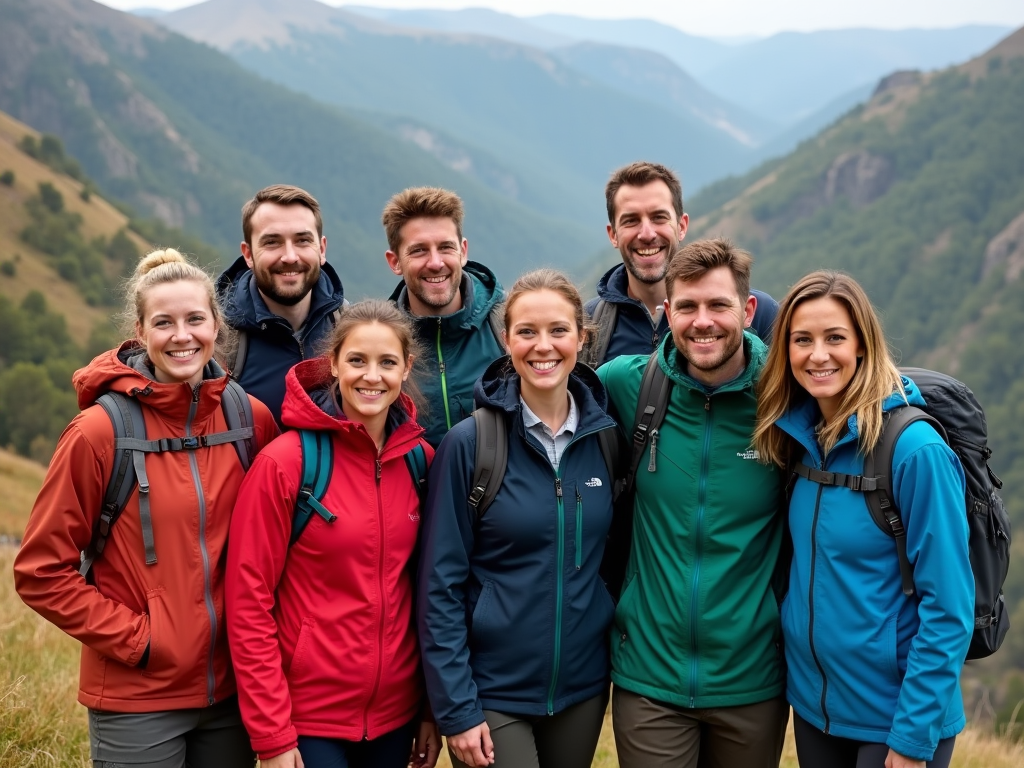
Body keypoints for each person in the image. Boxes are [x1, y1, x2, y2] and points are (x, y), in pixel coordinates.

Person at [13, 249, 279, 768]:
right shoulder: (100, 432)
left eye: (195, 319)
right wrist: (141, 640)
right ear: (141, 331)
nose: (182, 335)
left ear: (216, 325)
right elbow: (40, 571)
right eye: (164, 322)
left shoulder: (251, 420)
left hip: (232, 694)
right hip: (137, 700)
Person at [753, 270, 973, 768]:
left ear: (863, 346)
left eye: (835, 338)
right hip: (817, 714)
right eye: (802, 340)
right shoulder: (802, 440)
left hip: (894, 721)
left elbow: (949, 608)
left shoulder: (914, 451)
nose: (818, 355)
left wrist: (912, 739)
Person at [597, 238, 788, 768]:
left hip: (751, 680)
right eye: (687, 307)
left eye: (718, 305)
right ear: (667, 312)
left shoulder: (785, 397)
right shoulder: (627, 386)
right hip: (649, 678)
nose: (703, 322)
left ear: (747, 311)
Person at [225, 299, 441, 768]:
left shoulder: (421, 462)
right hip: (307, 722)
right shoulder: (288, 462)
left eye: (387, 362)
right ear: (334, 365)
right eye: (357, 360)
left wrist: (429, 710)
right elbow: (247, 602)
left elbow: (428, 595)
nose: (371, 376)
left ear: (406, 369)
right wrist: (272, 735)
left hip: (396, 719)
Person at [418, 269, 618, 768]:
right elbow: (438, 586)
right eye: (527, 331)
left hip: (583, 689)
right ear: (506, 340)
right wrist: (457, 708)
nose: (542, 346)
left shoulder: (606, 439)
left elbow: (611, 558)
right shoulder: (471, 444)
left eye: (558, 330)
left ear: (581, 337)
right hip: (492, 692)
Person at [584, 161, 778, 367]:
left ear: (682, 226)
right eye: (631, 220)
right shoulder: (589, 323)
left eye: (659, 217)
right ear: (613, 235)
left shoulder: (761, 314)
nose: (647, 234)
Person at [383, 186, 505, 447]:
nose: (436, 262)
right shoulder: (382, 342)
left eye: (445, 247)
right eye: (419, 251)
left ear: (463, 250)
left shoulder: (508, 323)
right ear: (394, 261)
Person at [218, 184, 345, 423]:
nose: (289, 257)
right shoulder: (217, 339)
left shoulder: (349, 327)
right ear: (248, 254)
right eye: (272, 242)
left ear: (322, 248)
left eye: (302, 240)